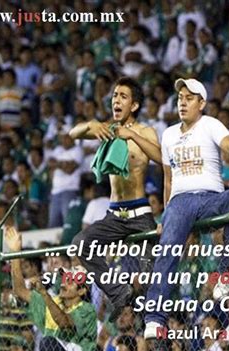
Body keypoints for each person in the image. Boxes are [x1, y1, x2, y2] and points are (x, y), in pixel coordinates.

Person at [143, 78, 229, 337]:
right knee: (167, 253)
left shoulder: (210, 124)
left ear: (201, 103)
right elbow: (168, 178)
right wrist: (165, 213)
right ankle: (155, 318)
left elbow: (227, 144)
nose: (182, 102)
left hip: (212, 198)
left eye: (189, 98)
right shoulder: (168, 134)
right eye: (180, 97)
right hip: (180, 202)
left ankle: (224, 276)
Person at [70, 77, 162, 321]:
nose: (116, 100)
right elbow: (73, 133)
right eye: (114, 96)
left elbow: (161, 158)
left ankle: (153, 326)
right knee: (81, 244)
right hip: (114, 215)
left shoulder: (145, 131)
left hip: (140, 214)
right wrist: (91, 123)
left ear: (134, 105)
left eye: (123, 96)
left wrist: (131, 136)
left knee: (149, 279)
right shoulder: (107, 130)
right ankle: (121, 294)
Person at [5, 226, 97, 351]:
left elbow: (64, 322)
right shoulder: (54, 302)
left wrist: (44, 294)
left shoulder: (87, 310)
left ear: (82, 291)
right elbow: (20, 290)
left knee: (48, 341)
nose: (64, 284)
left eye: (70, 282)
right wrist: (14, 252)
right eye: (65, 279)